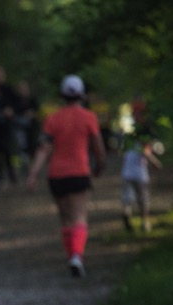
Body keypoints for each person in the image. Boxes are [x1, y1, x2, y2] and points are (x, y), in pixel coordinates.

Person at [26, 74, 106, 278]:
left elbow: (43, 149)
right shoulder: (89, 117)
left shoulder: (52, 119)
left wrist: (33, 173)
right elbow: (98, 147)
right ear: (82, 95)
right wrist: (99, 167)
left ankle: (72, 256)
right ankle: (77, 256)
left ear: (62, 95)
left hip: (57, 175)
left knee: (66, 219)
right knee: (79, 217)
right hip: (79, 173)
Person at [120, 132, 162, 233]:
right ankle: (144, 222)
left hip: (126, 174)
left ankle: (126, 213)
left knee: (128, 198)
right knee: (143, 199)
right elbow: (148, 156)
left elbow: (124, 160)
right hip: (140, 176)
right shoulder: (142, 147)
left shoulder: (128, 147)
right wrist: (157, 164)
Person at [12, 80, 39, 178]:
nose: (22, 91)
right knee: (22, 147)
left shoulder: (32, 101)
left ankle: (32, 168)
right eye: (21, 89)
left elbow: (37, 112)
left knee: (32, 149)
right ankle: (25, 167)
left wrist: (31, 114)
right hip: (20, 129)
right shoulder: (15, 102)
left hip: (31, 129)